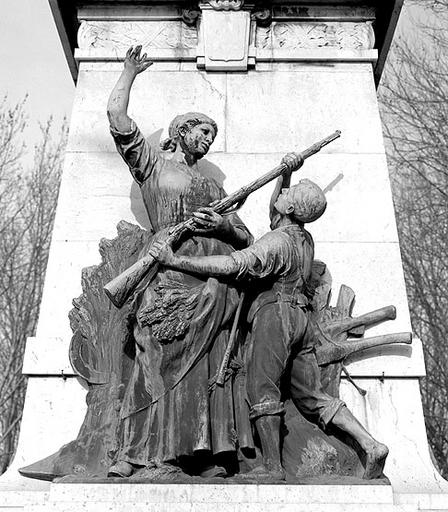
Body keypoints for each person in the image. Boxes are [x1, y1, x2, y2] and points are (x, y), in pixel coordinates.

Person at [149, 161, 389, 481]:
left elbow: (233, 263)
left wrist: (175, 260)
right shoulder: (303, 238)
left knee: (261, 388)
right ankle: (370, 444)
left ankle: (272, 468)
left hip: (275, 317)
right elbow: (279, 217)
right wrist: (285, 174)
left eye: (288, 191)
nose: (283, 191)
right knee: (313, 397)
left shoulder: (277, 243)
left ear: (290, 206)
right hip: (302, 321)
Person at [106, 45, 253, 478]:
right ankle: (130, 453)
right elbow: (117, 120)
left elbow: (243, 235)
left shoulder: (210, 185)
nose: (208, 140)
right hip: (161, 273)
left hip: (203, 279)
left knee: (199, 366)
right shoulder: (152, 165)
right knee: (150, 360)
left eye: (212, 135)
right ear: (181, 131)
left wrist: (222, 226)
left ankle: (197, 453)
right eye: (202, 131)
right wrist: (128, 73)